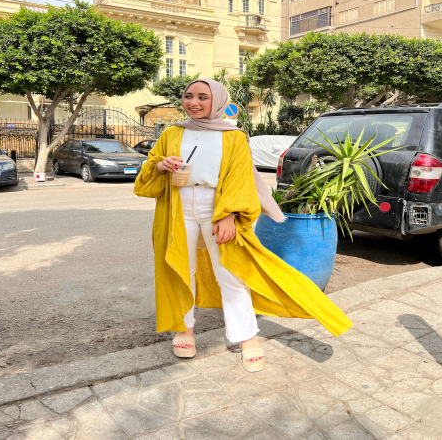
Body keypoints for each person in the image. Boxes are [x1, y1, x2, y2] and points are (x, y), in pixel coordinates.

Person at [134, 78, 352, 372]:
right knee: (179, 268)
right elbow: (150, 168)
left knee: (232, 273)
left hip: (218, 207)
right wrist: (160, 166)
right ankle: (184, 329)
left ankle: (246, 337)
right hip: (177, 207)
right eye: (188, 96)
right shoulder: (172, 133)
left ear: (218, 101)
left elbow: (240, 178)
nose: (194, 103)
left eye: (202, 97)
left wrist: (229, 214)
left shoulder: (233, 136)